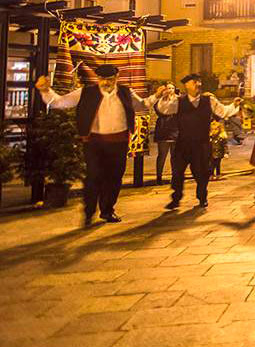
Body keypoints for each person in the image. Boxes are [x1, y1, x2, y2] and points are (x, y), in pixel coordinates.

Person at [36, 64, 162, 226]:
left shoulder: (125, 92)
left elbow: (141, 105)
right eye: (103, 79)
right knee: (93, 176)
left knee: (115, 178)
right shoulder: (86, 92)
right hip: (94, 143)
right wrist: (46, 91)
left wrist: (156, 96)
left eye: (110, 79)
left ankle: (107, 210)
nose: (106, 82)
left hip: (119, 142)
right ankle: (89, 212)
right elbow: (60, 103)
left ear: (116, 78)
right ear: (97, 79)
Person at [157, 74, 242, 209]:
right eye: (194, 82)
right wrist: (162, 96)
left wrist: (234, 105)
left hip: (201, 143)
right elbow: (164, 109)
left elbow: (223, 111)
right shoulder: (179, 101)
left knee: (202, 172)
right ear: (187, 85)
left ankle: (202, 197)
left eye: (198, 82)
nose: (198, 84)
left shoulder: (209, 100)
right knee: (177, 172)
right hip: (183, 143)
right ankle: (176, 198)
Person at [153, 83, 178, 185]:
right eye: (168, 88)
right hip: (163, 129)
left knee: (175, 155)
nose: (170, 90)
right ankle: (159, 177)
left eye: (172, 88)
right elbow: (158, 110)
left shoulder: (178, 100)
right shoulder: (160, 101)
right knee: (162, 155)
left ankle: (175, 176)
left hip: (175, 129)